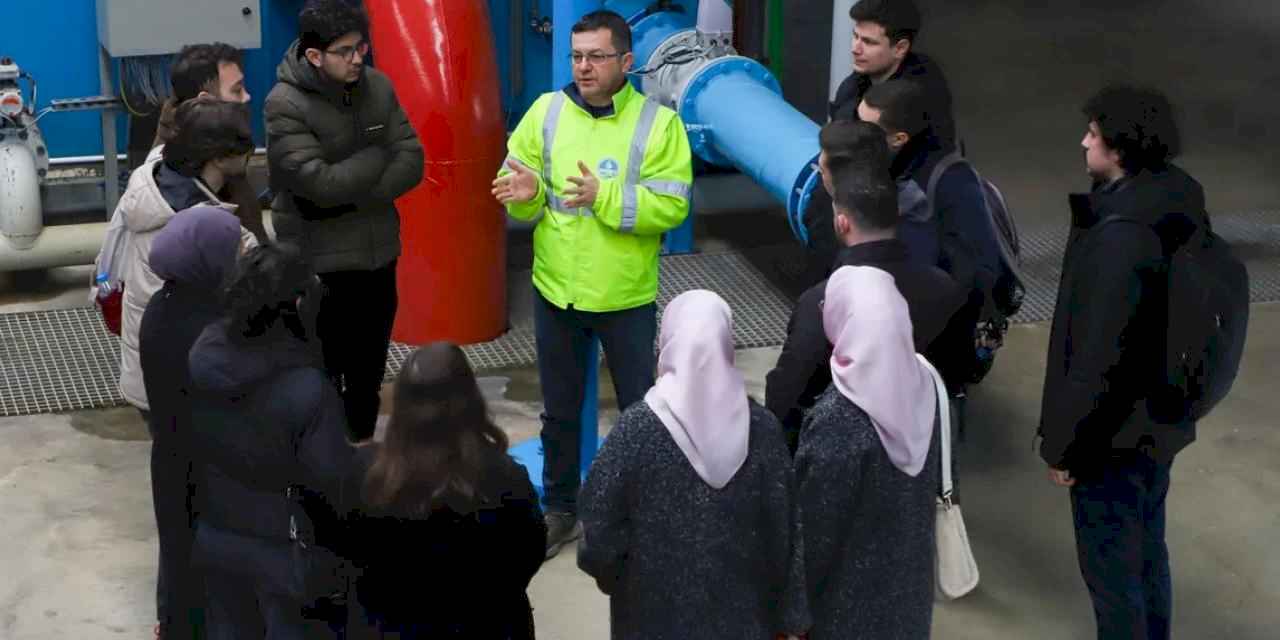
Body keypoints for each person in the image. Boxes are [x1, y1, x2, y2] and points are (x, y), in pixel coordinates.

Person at [491, 9, 693, 557]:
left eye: (596, 56)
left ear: (625, 62)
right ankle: (561, 509)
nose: (583, 66)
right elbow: (524, 190)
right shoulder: (545, 112)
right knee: (558, 411)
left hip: (625, 295)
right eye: (577, 56)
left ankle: (643, 509)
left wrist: (601, 197)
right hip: (557, 290)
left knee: (640, 411)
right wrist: (527, 189)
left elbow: (671, 207)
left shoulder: (659, 124)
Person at [1039, 86, 1199, 640]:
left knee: (1111, 574)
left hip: (1112, 438)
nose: (1084, 141)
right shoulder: (1177, 197)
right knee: (1147, 551)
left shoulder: (1121, 238)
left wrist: (1064, 446)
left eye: (1094, 134)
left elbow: (1097, 358)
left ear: (1121, 149)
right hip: (1159, 420)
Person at [578, 290, 810, 640]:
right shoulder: (761, 430)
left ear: (667, 342)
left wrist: (619, 579)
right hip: (746, 621)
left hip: (649, 619)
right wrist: (790, 617)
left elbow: (599, 535)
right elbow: (785, 534)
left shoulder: (636, 430)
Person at [266, 0, 425, 441]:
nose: (358, 59)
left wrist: (357, 190)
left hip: (379, 257)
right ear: (314, 56)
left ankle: (360, 458)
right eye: (345, 51)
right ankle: (323, 469)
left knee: (368, 372)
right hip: (322, 266)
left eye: (361, 47)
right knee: (322, 372)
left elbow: (412, 157)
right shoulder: (285, 104)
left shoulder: (378, 87)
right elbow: (320, 185)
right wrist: (376, 158)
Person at [185, 242, 354, 639]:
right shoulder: (307, 389)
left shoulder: (204, 355)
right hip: (283, 548)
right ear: (297, 305)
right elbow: (332, 481)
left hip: (216, 533)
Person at [766, 121, 967, 453]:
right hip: (920, 444)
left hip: (841, 450)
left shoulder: (823, 303)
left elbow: (787, 391)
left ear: (842, 222)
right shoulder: (943, 287)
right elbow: (957, 369)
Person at [329, 343, 545, 639]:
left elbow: (338, 554)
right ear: (470, 400)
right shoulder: (504, 480)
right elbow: (527, 555)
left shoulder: (363, 475)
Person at [796, 265, 940, 639]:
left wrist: (792, 612)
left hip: (846, 611)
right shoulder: (929, 386)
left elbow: (816, 534)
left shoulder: (838, 418)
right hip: (910, 597)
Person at [117, 98, 259, 425]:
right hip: (189, 378)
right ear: (219, 159)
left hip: (149, 370)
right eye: (244, 149)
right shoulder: (204, 226)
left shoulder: (151, 176)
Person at [138, 207, 244, 640]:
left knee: (178, 553)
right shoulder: (212, 326)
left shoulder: (162, 306)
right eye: (234, 245)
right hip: (209, 463)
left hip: (171, 457)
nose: (240, 252)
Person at [859, 78, 1000, 403]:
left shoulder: (947, 184)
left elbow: (973, 277)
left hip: (934, 346)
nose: (857, 136)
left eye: (867, 130)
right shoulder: (897, 165)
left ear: (899, 138)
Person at [149, 42, 265, 241]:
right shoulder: (180, 178)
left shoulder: (208, 144)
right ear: (205, 101)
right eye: (237, 90)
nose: (246, 97)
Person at [828, 0, 955, 146]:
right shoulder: (854, 83)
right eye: (855, 36)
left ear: (900, 48)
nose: (855, 49)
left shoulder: (918, 96)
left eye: (868, 42)